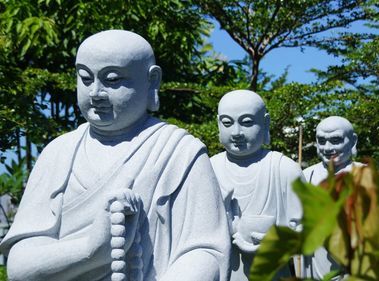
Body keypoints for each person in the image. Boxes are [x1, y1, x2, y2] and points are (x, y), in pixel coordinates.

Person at [0, 30, 230, 281]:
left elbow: (206, 254)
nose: (96, 93)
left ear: (152, 81)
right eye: (86, 79)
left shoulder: (179, 152)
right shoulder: (59, 153)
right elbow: (20, 267)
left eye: (112, 80)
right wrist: (91, 251)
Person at [210, 89, 303, 281]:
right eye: (228, 123)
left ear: (265, 123)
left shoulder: (284, 169)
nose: (236, 132)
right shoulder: (208, 168)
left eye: (247, 122)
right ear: (219, 124)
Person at [301, 116, 362, 280]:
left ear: (353, 141)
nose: (328, 147)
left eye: (336, 140)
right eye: (322, 141)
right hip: (315, 257)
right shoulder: (306, 176)